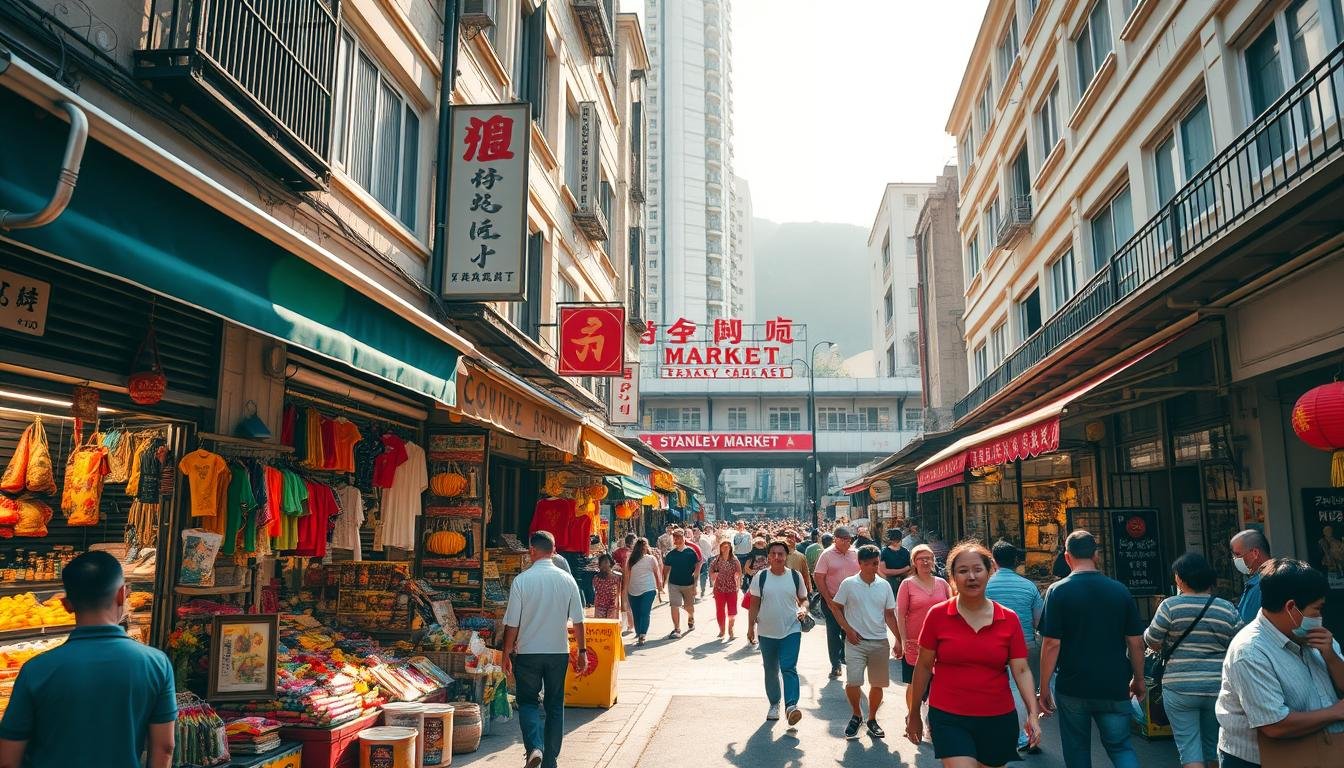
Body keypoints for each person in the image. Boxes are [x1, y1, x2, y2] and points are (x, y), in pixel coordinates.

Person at [0, 551, 176, 768]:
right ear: (122, 595)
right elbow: (164, 748)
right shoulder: (157, 664)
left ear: (67, 605)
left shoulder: (35, 670)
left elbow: (8, 759)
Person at [905, 541, 1042, 766]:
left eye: (978, 569)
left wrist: (1032, 714)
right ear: (953, 578)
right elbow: (923, 666)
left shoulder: (1008, 618)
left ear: (990, 572)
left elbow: (1021, 669)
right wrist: (913, 714)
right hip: (948, 716)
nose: (971, 576)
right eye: (963, 571)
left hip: (997, 717)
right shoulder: (937, 616)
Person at [1215, 558, 1344, 768]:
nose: (1320, 616)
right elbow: (1274, 725)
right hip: (1258, 761)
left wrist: (1331, 657)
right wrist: (1335, 712)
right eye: (1317, 609)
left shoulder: (1318, 639)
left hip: (1321, 752)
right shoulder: (1249, 651)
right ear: (1291, 607)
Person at [1038, 531, 1144, 768]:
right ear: (1096, 555)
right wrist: (1138, 678)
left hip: (1073, 685)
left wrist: (1044, 687)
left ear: (1067, 557)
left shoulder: (1057, 591)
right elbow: (1136, 642)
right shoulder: (1119, 590)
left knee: (1077, 750)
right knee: (1121, 748)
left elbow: (1052, 643)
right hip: (1114, 684)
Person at [1143, 552, 1239, 768]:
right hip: (1218, 685)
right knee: (1214, 745)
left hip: (1179, 686)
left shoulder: (1170, 606)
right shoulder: (1226, 607)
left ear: (1181, 578)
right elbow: (1237, 644)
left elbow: (1152, 641)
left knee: (1189, 748)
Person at [500, 531, 586, 768]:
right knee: (555, 705)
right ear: (554, 550)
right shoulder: (567, 580)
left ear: (532, 551)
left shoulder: (522, 580)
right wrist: (582, 652)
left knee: (527, 702)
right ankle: (550, 760)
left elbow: (512, 624)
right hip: (558, 651)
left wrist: (506, 653)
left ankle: (534, 747)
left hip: (528, 652)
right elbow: (579, 621)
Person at [830, 544, 902, 740]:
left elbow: (889, 614)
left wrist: (898, 639)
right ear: (860, 564)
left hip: (879, 641)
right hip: (855, 642)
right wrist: (848, 630)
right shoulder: (849, 584)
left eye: (876, 563)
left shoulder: (884, 585)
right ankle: (856, 715)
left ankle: (872, 719)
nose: (873, 567)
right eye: (869, 563)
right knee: (853, 682)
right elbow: (836, 607)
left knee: (877, 684)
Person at [984, 540, 1044, 754]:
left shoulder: (986, 586)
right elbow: (1039, 621)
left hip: (995, 646)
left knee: (1009, 690)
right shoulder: (1029, 586)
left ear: (993, 560)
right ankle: (1029, 732)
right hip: (1028, 644)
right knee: (1027, 691)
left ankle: (1021, 734)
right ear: (1016, 561)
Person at [746, 540, 810, 727]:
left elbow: (804, 599)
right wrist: (750, 627)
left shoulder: (795, 576)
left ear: (786, 556)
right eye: (773, 554)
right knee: (771, 669)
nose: (777, 557)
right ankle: (774, 703)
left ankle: (791, 706)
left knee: (789, 667)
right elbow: (754, 604)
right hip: (766, 631)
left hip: (791, 629)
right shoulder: (761, 577)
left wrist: (803, 609)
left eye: (780, 554)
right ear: (768, 557)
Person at [897, 544, 951, 684]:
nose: (925, 562)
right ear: (914, 562)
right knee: (915, 685)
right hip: (915, 642)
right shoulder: (907, 584)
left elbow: (951, 610)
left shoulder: (942, 583)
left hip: (940, 640)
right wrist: (902, 640)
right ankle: (913, 707)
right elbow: (901, 615)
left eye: (929, 558)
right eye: (921, 559)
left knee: (938, 682)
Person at [815, 526, 861, 679]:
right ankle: (835, 664)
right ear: (836, 539)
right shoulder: (826, 555)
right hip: (833, 600)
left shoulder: (855, 553)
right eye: (844, 540)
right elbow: (819, 577)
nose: (848, 543)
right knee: (833, 632)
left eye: (849, 540)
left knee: (849, 631)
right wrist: (828, 600)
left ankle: (848, 658)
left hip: (852, 601)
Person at [623, 538, 661, 646]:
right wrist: (625, 591)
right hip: (633, 591)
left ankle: (642, 635)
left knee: (644, 612)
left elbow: (656, 573)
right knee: (638, 614)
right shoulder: (630, 559)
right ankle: (639, 633)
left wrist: (659, 587)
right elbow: (627, 576)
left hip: (648, 590)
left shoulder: (651, 559)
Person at [663, 529, 701, 638]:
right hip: (673, 584)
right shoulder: (671, 554)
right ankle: (677, 629)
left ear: (684, 537)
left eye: (679, 537)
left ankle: (691, 617)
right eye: (675, 537)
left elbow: (697, 568)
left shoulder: (691, 552)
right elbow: (666, 569)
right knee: (674, 605)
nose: (676, 539)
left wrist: (695, 585)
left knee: (689, 607)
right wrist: (663, 582)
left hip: (688, 584)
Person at [1230, 529, 1271, 625]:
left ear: (1255, 553)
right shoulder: (1256, 581)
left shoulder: (1262, 584)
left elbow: (1246, 622)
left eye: (1238, 554)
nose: (1236, 560)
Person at [710, 539, 743, 640]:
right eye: (723, 547)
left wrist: (737, 579)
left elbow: (739, 572)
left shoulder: (734, 560)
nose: (725, 549)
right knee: (720, 610)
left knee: (732, 610)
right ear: (720, 548)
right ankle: (722, 629)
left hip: (732, 588)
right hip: (719, 588)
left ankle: (730, 628)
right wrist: (714, 575)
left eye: (727, 547)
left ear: (730, 548)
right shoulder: (717, 560)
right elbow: (711, 571)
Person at [879, 528, 912, 599]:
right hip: (895, 580)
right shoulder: (905, 551)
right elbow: (884, 571)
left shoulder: (884, 552)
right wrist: (904, 570)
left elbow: (884, 570)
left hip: (897, 580)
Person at [590, 553, 623, 621]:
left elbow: (619, 592)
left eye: (606, 562)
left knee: (611, 626)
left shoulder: (617, 577)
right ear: (599, 565)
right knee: (600, 626)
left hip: (612, 606)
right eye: (602, 563)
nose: (604, 565)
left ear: (610, 564)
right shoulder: (596, 578)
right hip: (600, 606)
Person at [698, 526, 717, 596]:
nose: (708, 529)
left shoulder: (714, 537)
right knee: (704, 572)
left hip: (712, 555)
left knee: (712, 571)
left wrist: (713, 549)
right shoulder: (703, 537)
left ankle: (712, 585)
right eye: (707, 528)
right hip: (704, 557)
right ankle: (703, 588)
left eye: (710, 528)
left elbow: (716, 544)